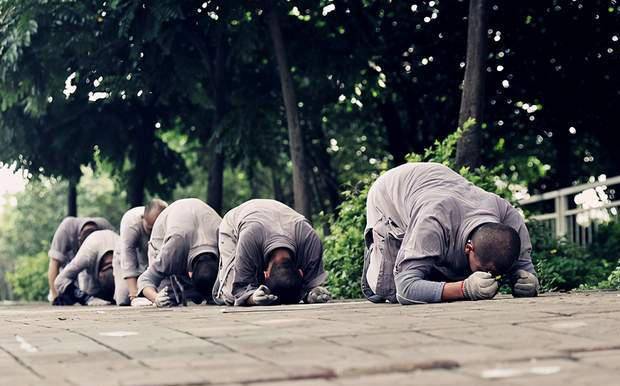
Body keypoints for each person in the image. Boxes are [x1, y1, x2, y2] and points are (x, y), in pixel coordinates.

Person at [362, 162, 540, 305]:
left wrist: (528, 282)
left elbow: (525, 267)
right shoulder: (433, 221)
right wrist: (464, 289)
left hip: (439, 188)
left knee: (442, 275)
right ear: (469, 247)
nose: (490, 277)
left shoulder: (511, 220)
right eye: (484, 270)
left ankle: (421, 256)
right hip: (389, 193)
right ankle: (377, 250)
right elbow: (405, 289)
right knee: (388, 291)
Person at [213, 199, 330, 306]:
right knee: (229, 295)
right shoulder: (249, 237)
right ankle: (221, 284)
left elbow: (313, 283)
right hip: (235, 221)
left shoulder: (310, 238)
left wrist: (314, 293)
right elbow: (240, 288)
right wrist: (252, 298)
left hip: (275, 217)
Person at [137, 198, 221, 307]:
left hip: (191, 222)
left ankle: (206, 294)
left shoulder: (223, 236)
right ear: (190, 273)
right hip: (165, 234)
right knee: (169, 298)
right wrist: (155, 297)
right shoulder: (174, 246)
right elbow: (145, 279)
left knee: (215, 295)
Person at [53, 229, 128, 306]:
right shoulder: (86, 255)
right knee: (90, 295)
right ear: (100, 275)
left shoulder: (125, 253)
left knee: (123, 296)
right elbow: (59, 281)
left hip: (118, 256)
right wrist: (86, 298)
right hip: (92, 249)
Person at [47, 216, 114, 301]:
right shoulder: (66, 229)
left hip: (95, 271)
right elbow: (54, 264)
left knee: (93, 292)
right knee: (62, 291)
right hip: (69, 268)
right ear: (79, 240)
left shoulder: (105, 228)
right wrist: (55, 296)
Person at [117, 199, 168, 306]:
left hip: (153, 258)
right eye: (150, 229)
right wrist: (134, 295)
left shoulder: (169, 222)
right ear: (142, 218)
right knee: (123, 300)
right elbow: (127, 257)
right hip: (126, 256)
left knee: (162, 294)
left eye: (157, 229)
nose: (154, 234)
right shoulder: (131, 223)